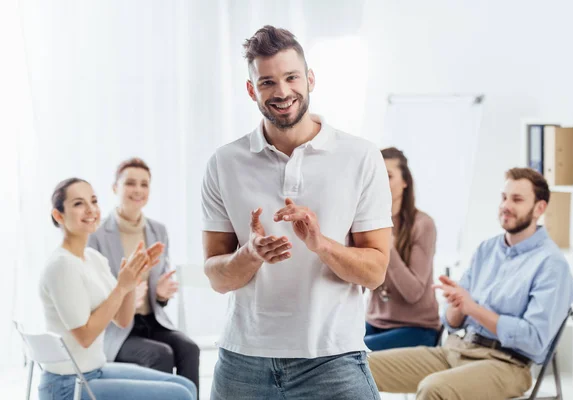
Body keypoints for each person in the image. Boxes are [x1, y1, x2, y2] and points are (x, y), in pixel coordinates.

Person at [201, 25, 392, 400]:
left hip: (333, 360)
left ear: (310, 79)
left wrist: (321, 244)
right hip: (244, 362)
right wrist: (250, 254)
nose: (283, 92)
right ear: (252, 89)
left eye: (291, 77)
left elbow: (374, 272)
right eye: (268, 82)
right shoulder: (224, 162)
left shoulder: (360, 156)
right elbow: (217, 278)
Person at [368, 167, 573, 400]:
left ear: (540, 208)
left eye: (517, 199)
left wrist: (473, 308)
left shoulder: (551, 265)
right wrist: (457, 305)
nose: (506, 205)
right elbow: (452, 321)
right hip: (455, 350)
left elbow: (535, 340)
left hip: (505, 364)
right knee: (360, 367)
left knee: (433, 388)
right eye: (504, 197)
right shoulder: (487, 249)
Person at [39, 178, 196, 400]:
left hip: (95, 371)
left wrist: (132, 281)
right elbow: (85, 336)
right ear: (58, 215)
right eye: (78, 203)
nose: (91, 209)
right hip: (67, 386)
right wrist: (121, 287)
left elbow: (122, 320)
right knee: (180, 394)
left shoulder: (93, 258)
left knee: (185, 386)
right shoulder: (62, 266)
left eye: (93, 201)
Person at [88, 158, 200, 394]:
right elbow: (92, 295)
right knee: (160, 354)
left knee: (189, 348)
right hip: (116, 330)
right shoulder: (97, 235)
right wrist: (126, 293)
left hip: (152, 321)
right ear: (115, 188)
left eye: (144, 184)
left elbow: (158, 295)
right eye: (130, 183)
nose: (138, 190)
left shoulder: (158, 230)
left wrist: (160, 295)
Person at [365, 147, 440, 351]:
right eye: (376, 175)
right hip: (374, 323)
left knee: (354, 354)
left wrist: (387, 248)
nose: (380, 182)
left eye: (388, 176)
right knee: (331, 348)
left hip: (416, 328)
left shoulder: (423, 224)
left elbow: (414, 292)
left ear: (405, 182)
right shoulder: (367, 222)